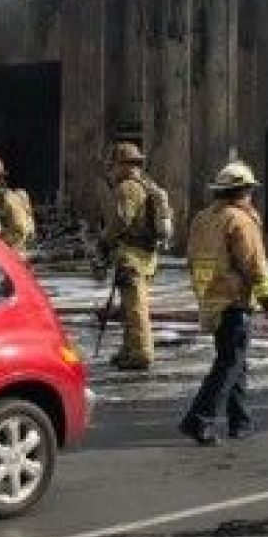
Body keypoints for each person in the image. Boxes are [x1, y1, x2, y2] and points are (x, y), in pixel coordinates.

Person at [178, 159, 268, 445]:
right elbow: (254, 263)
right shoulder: (240, 220)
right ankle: (199, 420)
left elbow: (191, 259)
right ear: (243, 191)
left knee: (236, 362)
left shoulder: (202, 219)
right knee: (229, 364)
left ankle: (240, 421)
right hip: (233, 300)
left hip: (210, 299)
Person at [100, 141, 168, 371]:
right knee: (130, 306)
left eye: (114, 165)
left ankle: (140, 352)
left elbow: (122, 219)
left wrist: (105, 241)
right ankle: (129, 348)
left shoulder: (128, 187)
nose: (112, 170)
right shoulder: (146, 184)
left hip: (132, 255)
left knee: (136, 307)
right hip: (145, 255)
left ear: (122, 165)